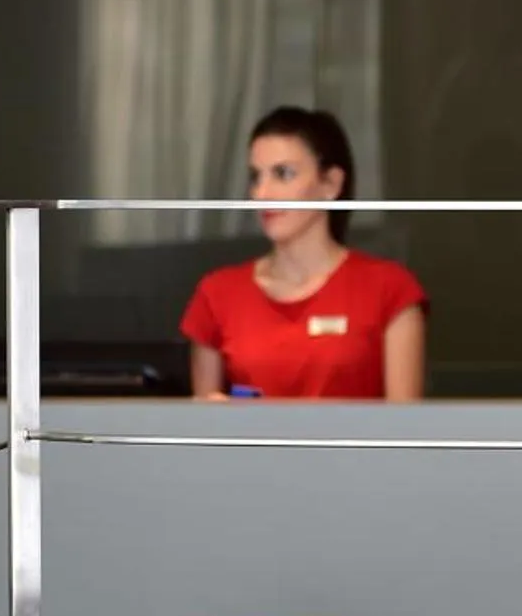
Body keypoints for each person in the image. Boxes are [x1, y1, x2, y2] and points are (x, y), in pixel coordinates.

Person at [181, 107, 426, 400]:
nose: (262, 193)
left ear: (331, 184)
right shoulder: (217, 294)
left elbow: (406, 433)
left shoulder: (389, 290)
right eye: (255, 177)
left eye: (283, 174)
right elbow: (201, 434)